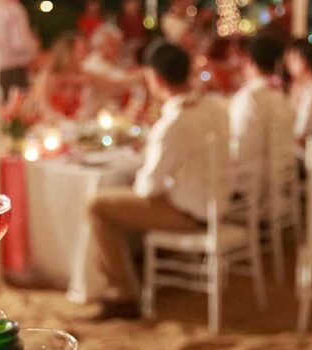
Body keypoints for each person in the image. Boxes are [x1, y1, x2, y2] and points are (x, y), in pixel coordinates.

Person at [86, 41, 229, 320]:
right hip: (218, 203)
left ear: (156, 78)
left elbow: (147, 188)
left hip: (190, 212)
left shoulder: (174, 122)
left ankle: (122, 293)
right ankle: (137, 271)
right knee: (121, 192)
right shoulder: (214, 106)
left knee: (98, 205)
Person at [229, 36, 290, 171]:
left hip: (250, 182)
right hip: (278, 179)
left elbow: (237, 146)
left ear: (250, 61)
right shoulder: (280, 96)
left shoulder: (248, 98)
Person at [26, 32, 87, 119]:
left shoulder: (84, 74)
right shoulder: (49, 76)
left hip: (77, 121)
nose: (85, 53)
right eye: (80, 50)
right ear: (68, 52)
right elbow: (43, 106)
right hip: (52, 123)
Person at [82, 24, 141, 113]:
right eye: (113, 45)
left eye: (119, 45)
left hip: (113, 114)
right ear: (100, 45)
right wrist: (142, 75)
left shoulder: (117, 62)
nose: (118, 49)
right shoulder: (91, 65)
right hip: (92, 115)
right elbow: (114, 83)